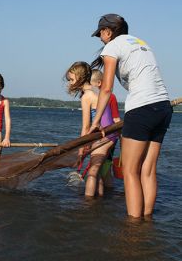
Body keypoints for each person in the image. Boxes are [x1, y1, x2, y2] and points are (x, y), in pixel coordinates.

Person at [90, 13, 172, 218]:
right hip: (163, 107)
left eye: (100, 33)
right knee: (148, 170)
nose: (100, 38)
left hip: (142, 108)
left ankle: (134, 229)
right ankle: (147, 222)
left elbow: (106, 88)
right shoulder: (142, 43)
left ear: (108, 32)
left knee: (130, 170)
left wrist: (97, 121)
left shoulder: (112, 46)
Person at [65, 62, 118, 197]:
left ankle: (88, 206)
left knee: (92, 172)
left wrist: (81, 148)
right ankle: (99, 201)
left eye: (71, 80)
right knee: (99, 171)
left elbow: (86, 126)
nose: (70, 83)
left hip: (104, 136)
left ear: (80, 78)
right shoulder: (97, 91)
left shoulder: (86, 96)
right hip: (111, 134)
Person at [90, 69, 121, 187]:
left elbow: (116, 119)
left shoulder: (110, 97)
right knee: (105, 166)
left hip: (108, 136)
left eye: (90, 85)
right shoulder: (93, 97)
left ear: (99, 83)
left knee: (98, 168)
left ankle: (95, 200)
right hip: (108, 136)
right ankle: (107, 199)